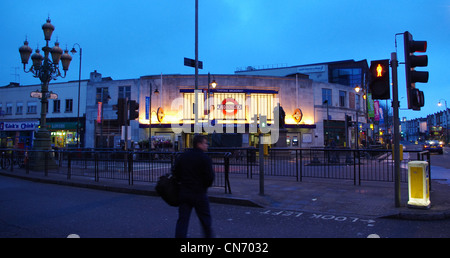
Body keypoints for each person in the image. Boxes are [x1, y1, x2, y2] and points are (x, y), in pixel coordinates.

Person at [173, 135, 215, 238]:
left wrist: (181, 182)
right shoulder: (205, 158)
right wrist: (204, 186)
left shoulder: (184, 156)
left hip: (185, 191)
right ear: (199, 144)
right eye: (205, 143)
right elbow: (210, 177)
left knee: (183, 220)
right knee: (205, 221)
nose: (207, 145)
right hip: (199, 193)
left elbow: (175, 171)